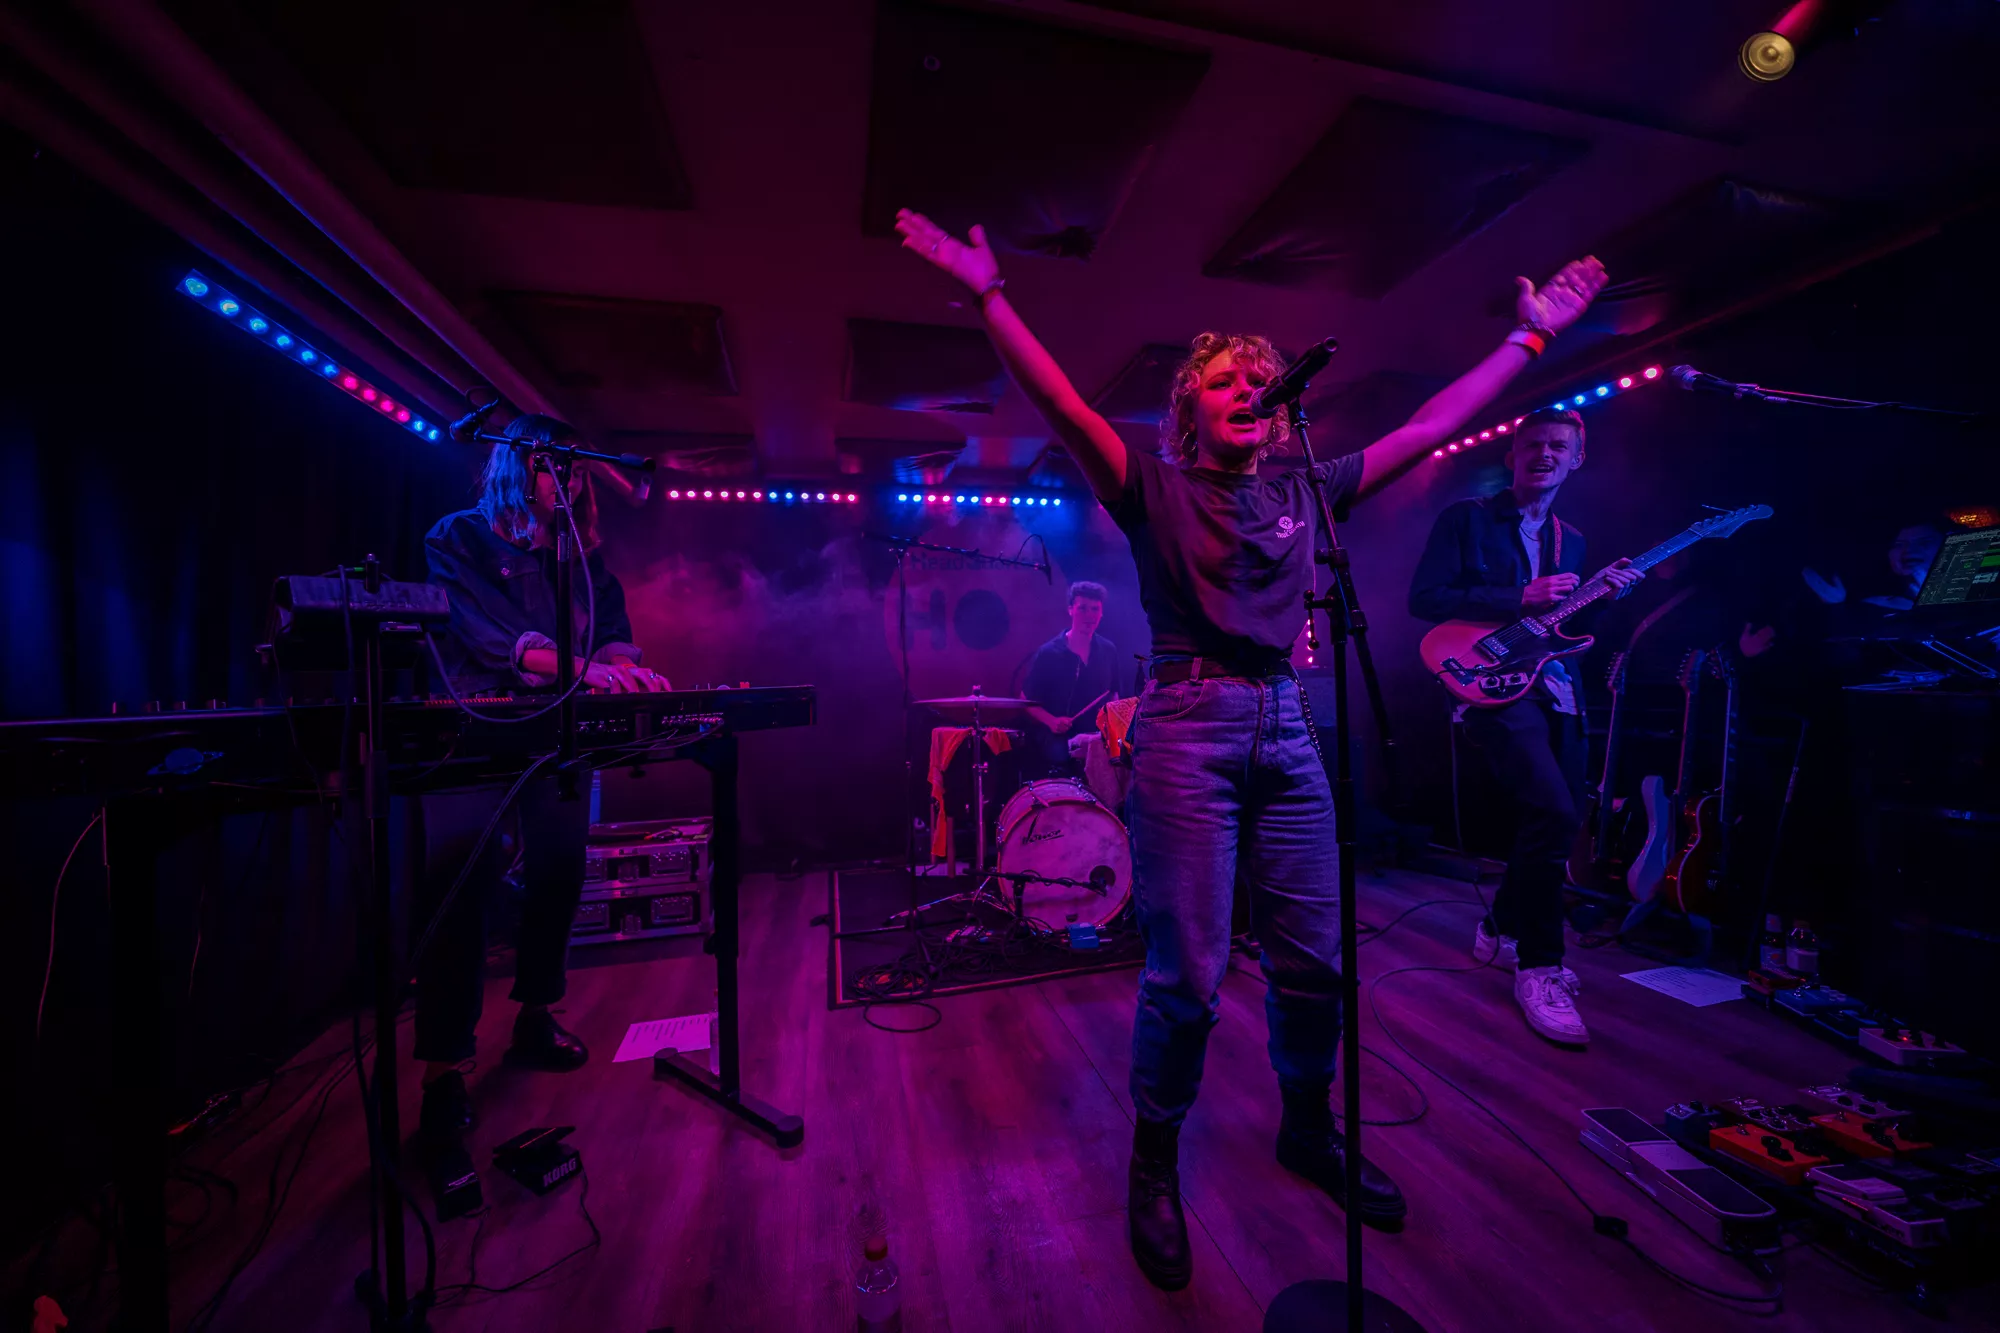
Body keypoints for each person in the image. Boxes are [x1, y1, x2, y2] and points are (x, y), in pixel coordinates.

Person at [896, 207, 1608, 1290]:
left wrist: (1531, 337)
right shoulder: (1155, 486)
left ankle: (1307, 1126)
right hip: (1185, 730)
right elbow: (1065, 405)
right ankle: (1153, 1159)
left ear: (1280, 412)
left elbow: (1430, 424)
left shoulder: (1305, 487)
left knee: (1315, 959)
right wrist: (989, 295)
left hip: (1286, 726)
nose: (1245, 389)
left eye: (1258, 380)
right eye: (1223, 380)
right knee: (1185, 973)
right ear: (1189, 407)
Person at [414, 414, 670, 1201]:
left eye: (577, 470)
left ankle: (533, 1014)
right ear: (515, 469)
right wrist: (590, 670)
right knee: (459, 882)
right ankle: (444, 1073)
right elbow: (502, 642)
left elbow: (612, 634)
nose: (569, 480)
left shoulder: (579, 557)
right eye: (554, 467)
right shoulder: (457, 538)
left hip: (557, 738)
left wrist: (628, 670)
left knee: (560, 867)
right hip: (473, 739)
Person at [1408, 407, 1644, 1048]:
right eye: (1533, 444)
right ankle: (1540, 966)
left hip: (1554, 686)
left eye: (1558, 447)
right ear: (1511, 455)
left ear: (1576, 460)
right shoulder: (1466, 520)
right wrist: (1519, 597)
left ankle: (1502, 923)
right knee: (1553, 812)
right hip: (1487, 684)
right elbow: (1424, 599)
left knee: (1562, 817)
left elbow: (1563, 628)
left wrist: (1601, 597)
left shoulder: (1573, 540)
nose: (1544, 454)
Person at [1020, 580, 1117, 779]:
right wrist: (1051, 721)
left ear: (1101, 613)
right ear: (1070, 609)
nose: (1090, 615)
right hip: (1058, 736)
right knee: (1062, 755)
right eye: (1083, 608)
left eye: (1095, 609)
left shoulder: (1108, 650)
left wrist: (1114, 726)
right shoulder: (1049, 653)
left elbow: (1114, 694)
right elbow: (1025, 700)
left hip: (1096, 735)